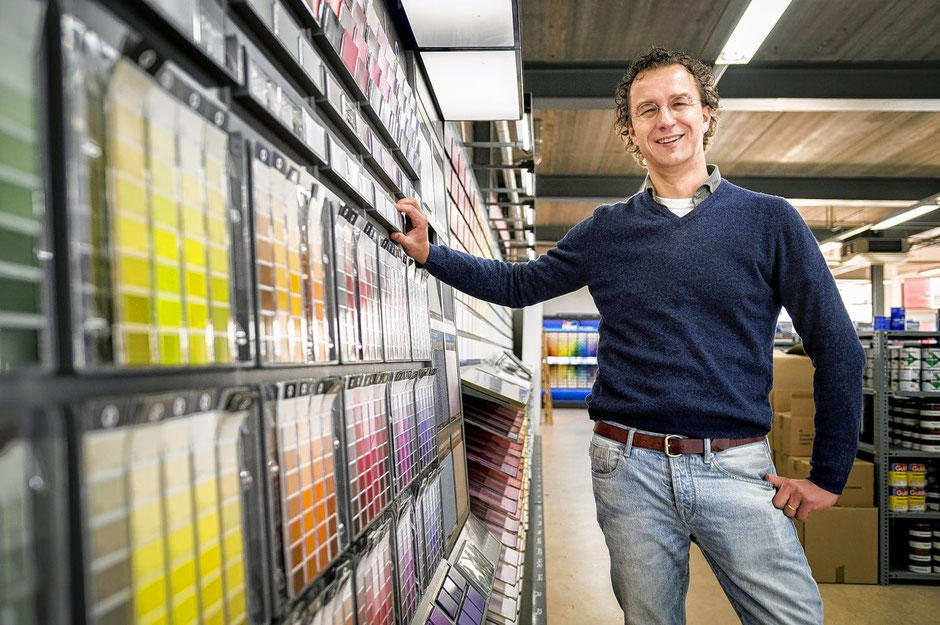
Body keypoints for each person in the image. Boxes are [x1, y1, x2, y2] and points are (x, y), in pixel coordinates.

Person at [390, 46, 864, 625]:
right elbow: (519, 285)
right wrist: (432, 254)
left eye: (680, 103)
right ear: (631, 130)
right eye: (648, 110)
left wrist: (828, 476)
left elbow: (838, 347)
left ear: (706, 113)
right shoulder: (608, 230)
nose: (666, 120)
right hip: (627, 470)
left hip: (737, 468)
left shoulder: (770, 221)